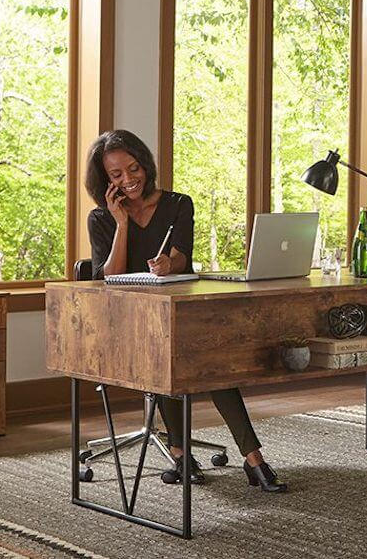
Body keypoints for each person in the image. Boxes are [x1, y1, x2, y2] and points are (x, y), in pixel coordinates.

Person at [84, 129, 287, 492]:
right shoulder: (101, 218)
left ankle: (252, 457)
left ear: (144, 164)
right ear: (105, 180)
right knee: (163, 353)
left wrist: (168, 264)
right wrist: (122, 223)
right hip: (126, 325)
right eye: (116, 175)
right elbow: (109, 275)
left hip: (177, 313)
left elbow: (182, 257)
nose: (128, 180)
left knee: (213, 363)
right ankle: (180, 451)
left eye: (133, 169)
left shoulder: (179, 204)